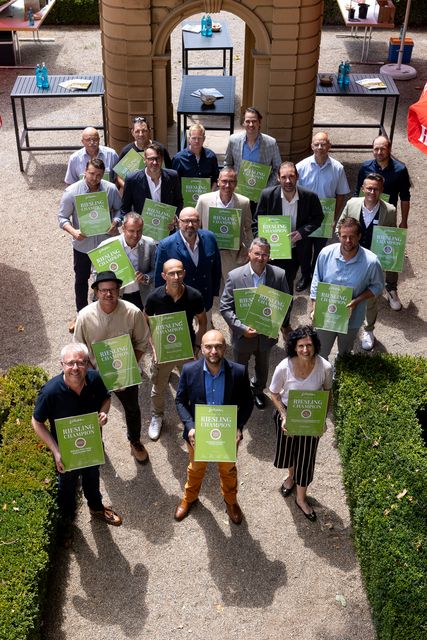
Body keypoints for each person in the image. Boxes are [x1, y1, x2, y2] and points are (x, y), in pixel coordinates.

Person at [32, 343, 122, 545]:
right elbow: (36, 422)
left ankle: (96, 508)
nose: (75, 367)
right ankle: (66, 524)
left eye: (81, 362)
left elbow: (106, 399)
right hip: (65, 453)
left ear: (87, 364)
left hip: (92, 446)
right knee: (66, 488)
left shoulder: (95, 379)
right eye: (70, 363)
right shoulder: (50, 392)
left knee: (92, 477)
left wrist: (104, 413)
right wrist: (56, 451)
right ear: (62, 364)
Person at [174, 330, 253, 524]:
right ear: (201, 349)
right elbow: (180, 401)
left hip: (227, 434)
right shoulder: (189, 370)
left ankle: (231, 501)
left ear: (225, 348)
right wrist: (190, 426)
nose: (213, 351)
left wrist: (238, 426)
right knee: (195, 469)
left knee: (228, 471)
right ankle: (189, 498)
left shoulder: (239, 371)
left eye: (218, 346)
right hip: (198, 434)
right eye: (208, 347)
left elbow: (248, 402)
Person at [74, 271, 150, 464]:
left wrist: (128, 367)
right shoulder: (84, 316)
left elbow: (141, 342)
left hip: (125, 371)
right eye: (104, 290)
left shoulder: (132, 312)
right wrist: (90, 373)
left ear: (119, 290)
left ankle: (135, 441)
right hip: (95, 373)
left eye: (113, 289)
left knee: (132, 409)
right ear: (96, 292)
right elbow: (79, 349)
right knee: (93, 412)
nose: (108, 294)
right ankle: (96, 443)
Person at [269, 326, 332, 522]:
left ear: (315, 346)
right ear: (294, 347)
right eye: (301, 346)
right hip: (288, 413)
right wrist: (283, 415)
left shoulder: (325, 367)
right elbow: (274, 393)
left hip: (311, 416)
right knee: (287, 452)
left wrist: (322, 419)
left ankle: (301, 498)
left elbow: (327, 393)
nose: (305, 350)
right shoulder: (283, 367)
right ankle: (291, 477)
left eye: (309, 345)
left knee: (306, 458)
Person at [220, 238, 290, 410]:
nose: (260, 258)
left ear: (269, 256)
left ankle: (258, 390)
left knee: (263, 367)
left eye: (264, 254)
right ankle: (242, 393)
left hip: (266, 335)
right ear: (249, 253)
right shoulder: (235, 276)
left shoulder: (279, 275)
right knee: (240, 367)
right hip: (243, 335)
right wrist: (241, 328)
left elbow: (286, 304)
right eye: (257, 253)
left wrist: (277, 324)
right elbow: (225, 307)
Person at [144, 259, 207, 441]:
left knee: (193, 386)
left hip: (186, 349)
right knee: (158, 387)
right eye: (171, 273)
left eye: (179, 272)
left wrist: (197, 347)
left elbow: (202, 321)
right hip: (163, 351)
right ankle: (157, 416)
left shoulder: (194, 296)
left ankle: (193, 419)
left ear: (184, 273)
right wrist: (154, 348)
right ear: (164, 276)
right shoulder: (154, 297)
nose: (176, 277)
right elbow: (145, 321)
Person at [58, 158, 122, 332]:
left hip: (105, 243)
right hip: (82, 245)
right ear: (85, 172)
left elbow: (119, 209)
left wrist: (115, 222)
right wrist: (74, 232)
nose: (95, 178)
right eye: (92, 174)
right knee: (81, 279)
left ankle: (105, 312)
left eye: (99, 175)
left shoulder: (110, 189)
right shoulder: (72, 192)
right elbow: (62, 218)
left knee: (107, 279)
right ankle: (81, 314)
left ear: (103, 174)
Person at [310, 216, 384, 360]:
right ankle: (323, 374)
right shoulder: (325, 253)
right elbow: (316, 281)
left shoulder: (372, 261)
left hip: (353, 319)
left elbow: (378, 286)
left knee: (345, 353)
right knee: (321, 353)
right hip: (326, 315)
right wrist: (314, 307)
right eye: (344, 236)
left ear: (359, 236)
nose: (348, 241)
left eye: (352, 236)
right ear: (339, 235)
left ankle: (340, 370)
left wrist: (357, 301)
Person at [337, 173, 397, 351]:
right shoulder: (351, 204)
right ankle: (343, 322)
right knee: (348, 291)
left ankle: (369, 330)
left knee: (371, 297)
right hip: (351, 257)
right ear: (363, 188)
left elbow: (392, 236)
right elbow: (339, 227)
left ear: (381, 190)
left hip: (372, 262)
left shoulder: (390, 210)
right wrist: (346, 245)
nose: (372, 192)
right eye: (369, 188)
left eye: (376, 189)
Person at [355, 135, 411, 311]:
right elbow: (358, 192)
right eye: (376, 149)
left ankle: (391, 288)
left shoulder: (400, 170)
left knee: (390, 252)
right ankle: (360, 285)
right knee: (361, 248)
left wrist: (404, 221)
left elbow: (405, 197)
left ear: (389, 149)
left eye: (382, 148)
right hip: (366, 214)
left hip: (387, 216)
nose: (379, 152)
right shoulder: (365, 167)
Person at [254, 161, 324, 294]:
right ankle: (268, 306)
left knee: (287, 282)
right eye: (284, 177)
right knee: (268, 283)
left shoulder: (309, 196)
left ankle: (286, 306)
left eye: (291, 176)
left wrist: (302, 232)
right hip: (272, 250)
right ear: (278, 178)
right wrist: (262, 244)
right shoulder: (267, 195)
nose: (288, 181)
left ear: (297, 176)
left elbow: (318, 218)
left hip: (295, 250)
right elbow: (256, 222)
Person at [295, 131, 350, 291]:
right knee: (304, 249)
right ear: (312, 146)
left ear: (329, 146)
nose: (320, 147)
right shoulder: (301, 167)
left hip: (325, 218)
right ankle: (305, 275)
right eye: (317, 144)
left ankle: (315, 275)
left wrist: (334, 217)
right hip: (305, 217)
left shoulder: (337, 168)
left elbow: (341, 194)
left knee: (321, 251)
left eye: (323, 144)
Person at [154, 208, 221, 316]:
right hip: (178, 304)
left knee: (205, 326)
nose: (190, 225)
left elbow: (216, 268)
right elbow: (159, 278)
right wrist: (163, 304)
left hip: (204, 301)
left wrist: (214, 292)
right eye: (186, 221)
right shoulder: (165, 246)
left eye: (194, 221)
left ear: (199, 222)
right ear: (179, 222)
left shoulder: (210, 238)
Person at [196, 167, 252, 283]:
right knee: (211, 287)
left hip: (234, 256)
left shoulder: (244, 202)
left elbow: (248, 228)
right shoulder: (204, 200)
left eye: (231, 182)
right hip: (210, 253)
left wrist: (249, 249)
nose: (227, 185)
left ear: (236, 183)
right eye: (224, 181)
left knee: (231, 287)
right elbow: (196, 224)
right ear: (218, 182)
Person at [98, 212, 156, 310]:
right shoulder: (106, 246)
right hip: (116, 297)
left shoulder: (150, 244)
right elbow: (96, 273)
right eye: (131, 231)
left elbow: (156, 270)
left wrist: (146, 277)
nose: (135, 235)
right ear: (123, 229)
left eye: (139, 231)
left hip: (141, 296)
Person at [224, 107, 282, 190]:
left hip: (261, 192)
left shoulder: (271, 143)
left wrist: (267, 188)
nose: (251, 124)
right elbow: (228, 164)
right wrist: (231, 183)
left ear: (259, 122)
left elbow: (278, 168)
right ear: (243, 123)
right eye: (247, 121)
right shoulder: (233, 140)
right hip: (239, 190)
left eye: (254, 121)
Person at [121, 143, 182, 217]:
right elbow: (125, 209)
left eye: (158, 158)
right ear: (144, 160)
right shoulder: (132, 179)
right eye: (151, 159)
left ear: (162, 159)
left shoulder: (173, 176)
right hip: (142, 224)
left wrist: (175, 217)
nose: (155, 162)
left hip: (167, 223)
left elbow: (178, 202)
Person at [116, 116, 172, 190]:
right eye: (137, 131)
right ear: (132, 133)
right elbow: (119, 176)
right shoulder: (126, 151)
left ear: (149, 131)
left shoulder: (160, 149)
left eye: (144, 131)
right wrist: (130, 190)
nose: (141, 134)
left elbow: (170, 172)